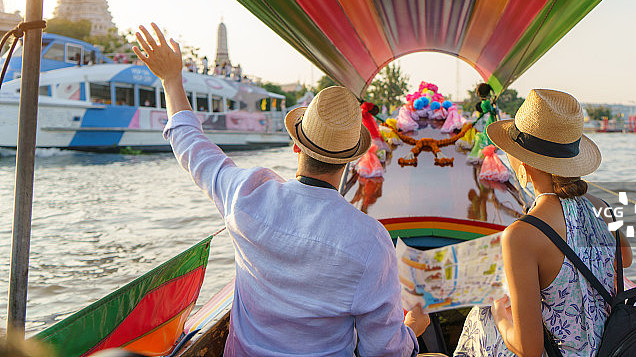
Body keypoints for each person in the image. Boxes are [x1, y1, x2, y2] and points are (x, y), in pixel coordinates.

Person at [132, 23, 429, 357]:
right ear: (350, 160)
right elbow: (384, 352)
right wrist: (412, 330)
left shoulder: (245, 195)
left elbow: (190, 147)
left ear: (296, 146)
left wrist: (172, 80)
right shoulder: (370, 241)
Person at [454, 89, 632, 357]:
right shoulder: (601, 207)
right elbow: (625, 258)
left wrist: (499, 314)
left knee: (483, 316)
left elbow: (530, 350)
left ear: (524, 163)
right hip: (610, 347)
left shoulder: (521, 235)